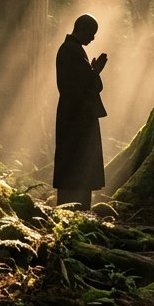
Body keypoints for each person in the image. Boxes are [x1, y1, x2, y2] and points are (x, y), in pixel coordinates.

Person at [52, 14, 107, 210]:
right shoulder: (71, 51)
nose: (93, 38)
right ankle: (74, 208)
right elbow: (82, 85)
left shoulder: (72, 49)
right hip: (77, 117)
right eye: (91, 33)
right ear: (81, 29)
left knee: (76, 160)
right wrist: (96, 71)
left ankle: (75, 207)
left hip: (74, 114)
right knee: (78, 160)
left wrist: (92, 71)